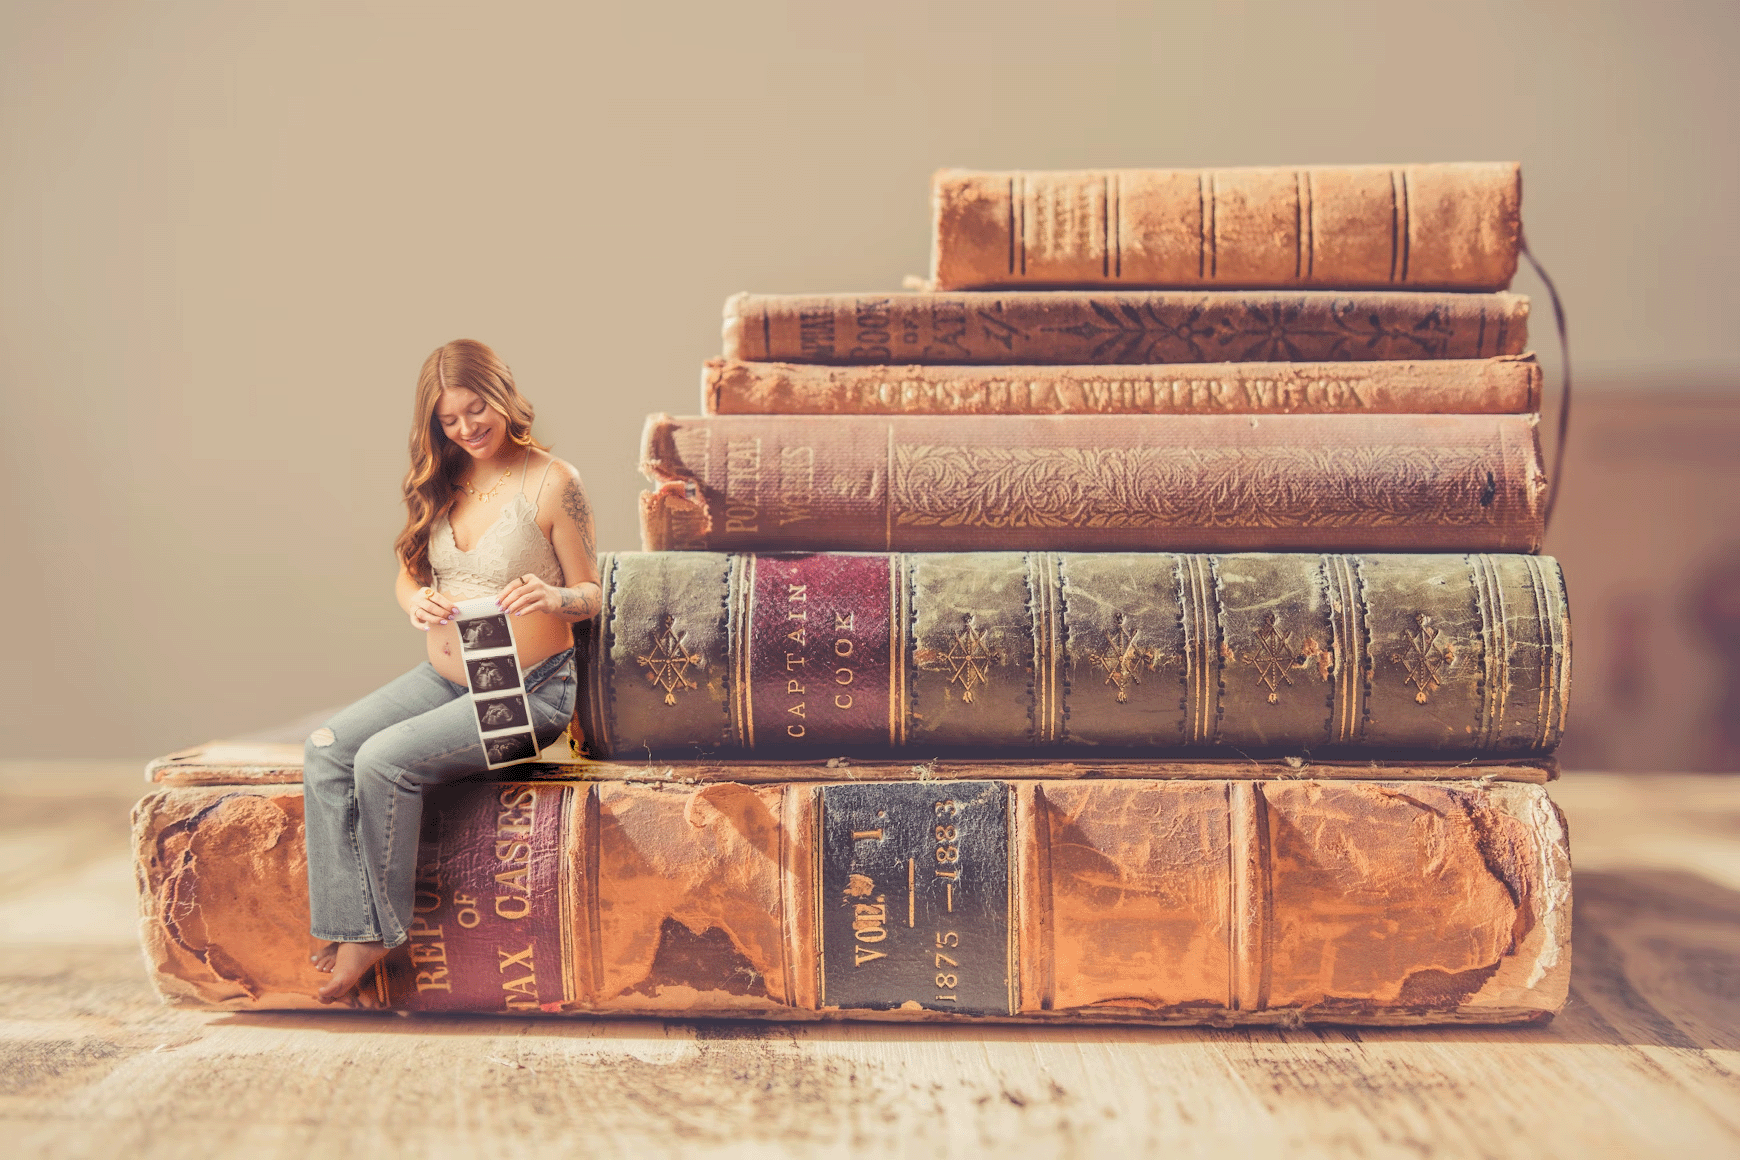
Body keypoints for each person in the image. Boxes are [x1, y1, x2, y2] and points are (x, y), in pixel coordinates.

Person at [303, 339, 602, 1003]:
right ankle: (347, 921)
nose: (467, 427)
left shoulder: (553, 482)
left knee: (383, 761)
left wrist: (554, 599)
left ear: (503, 394)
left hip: (527, 695)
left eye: (476, 409)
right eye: (449, 420)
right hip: (443, 679)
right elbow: (408, 576)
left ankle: (376, 932)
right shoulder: (444, 480)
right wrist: (420, 604)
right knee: (326, 751)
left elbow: (594, 594)